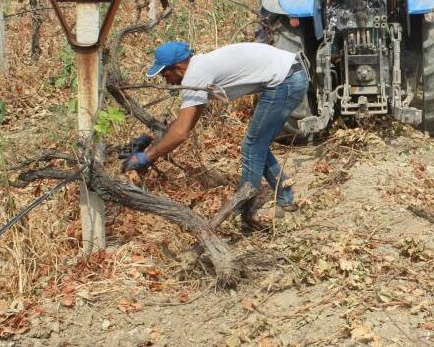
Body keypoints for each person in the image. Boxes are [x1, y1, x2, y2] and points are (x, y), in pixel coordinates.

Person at [121, 41, 309, 227]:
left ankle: (243, 211)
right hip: (290, 73)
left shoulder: (195, 76)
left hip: (286, 80)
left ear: (179, 67)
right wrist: (153, 139)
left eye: (166, 74)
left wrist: (146, 157)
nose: (166, 81)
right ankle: (285, 197)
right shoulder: (198, 68)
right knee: (256, 145)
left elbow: (181, 133)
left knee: (252, 146)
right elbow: (186, 124)